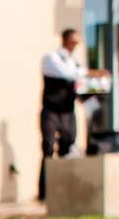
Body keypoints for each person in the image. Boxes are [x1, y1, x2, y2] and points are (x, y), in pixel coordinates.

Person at [38, 29, 107, 195]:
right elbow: (66, 74)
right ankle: (44, 191)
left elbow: (78, 87)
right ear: (66, 39)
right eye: (74, 40)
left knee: (68, 148)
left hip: (68, 112)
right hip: (51, 111)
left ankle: (65, 189)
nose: (76, 44)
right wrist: (90, 73)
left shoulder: (74, 63)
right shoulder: (52, 58)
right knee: (48, 147)